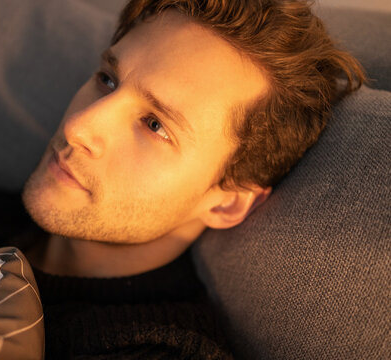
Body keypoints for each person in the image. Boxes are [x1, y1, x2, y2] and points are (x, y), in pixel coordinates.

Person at [19, 0, 365, 358]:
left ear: (228, 201)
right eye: (108, 80)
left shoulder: (158, 349)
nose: (78, 127)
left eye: (155, 125)